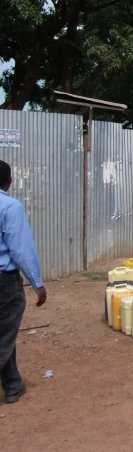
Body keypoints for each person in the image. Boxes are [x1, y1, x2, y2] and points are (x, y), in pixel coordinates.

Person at [0, 160, 46, 404]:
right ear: (8, 181)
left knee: (5, 333)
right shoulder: (9, 206)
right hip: (4, 283)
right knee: (4, 335)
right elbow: (21, 249)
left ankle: (13, 385)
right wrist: (37, 284)